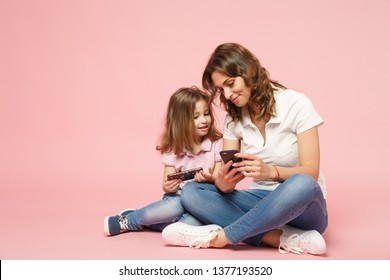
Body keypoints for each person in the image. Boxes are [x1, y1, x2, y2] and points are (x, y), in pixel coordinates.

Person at [162, 43, 328, 255]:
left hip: (303, 206)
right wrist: (223, 182)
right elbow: (225, 178)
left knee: (302, 183)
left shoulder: (297, 104)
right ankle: (279, 238)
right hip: (259, 201)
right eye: (222, 89)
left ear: (249, 71)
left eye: (231, 83)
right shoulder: (234, 118)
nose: (228, 94)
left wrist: (270, 171)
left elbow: (311, 172)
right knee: (193, 191)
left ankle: (220, 237)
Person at [104, 87, 223, 236]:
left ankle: (148, 221)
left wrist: (210, 178)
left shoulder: (217, 143)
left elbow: (220, 178)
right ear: (181, 121)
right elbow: (167, 184)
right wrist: (169, 186)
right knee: (174, 207)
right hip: (178, 199)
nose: (204, 120)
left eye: (206, 114)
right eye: (196, 117)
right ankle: (130, 220)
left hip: (204, 201)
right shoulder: (173, 148)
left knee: (191, 225)